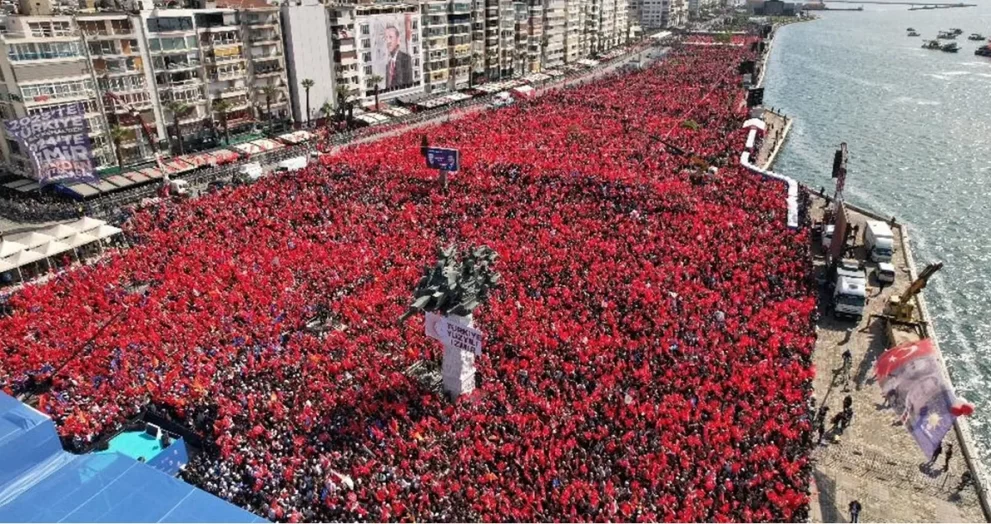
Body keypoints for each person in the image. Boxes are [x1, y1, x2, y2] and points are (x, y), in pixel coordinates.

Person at [383, 24, 413, 89]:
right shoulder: (388, 65)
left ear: (398, 40)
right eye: (386, 38)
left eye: (390, 37)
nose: (388, 41)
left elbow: (409, 84)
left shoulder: (406, 59)